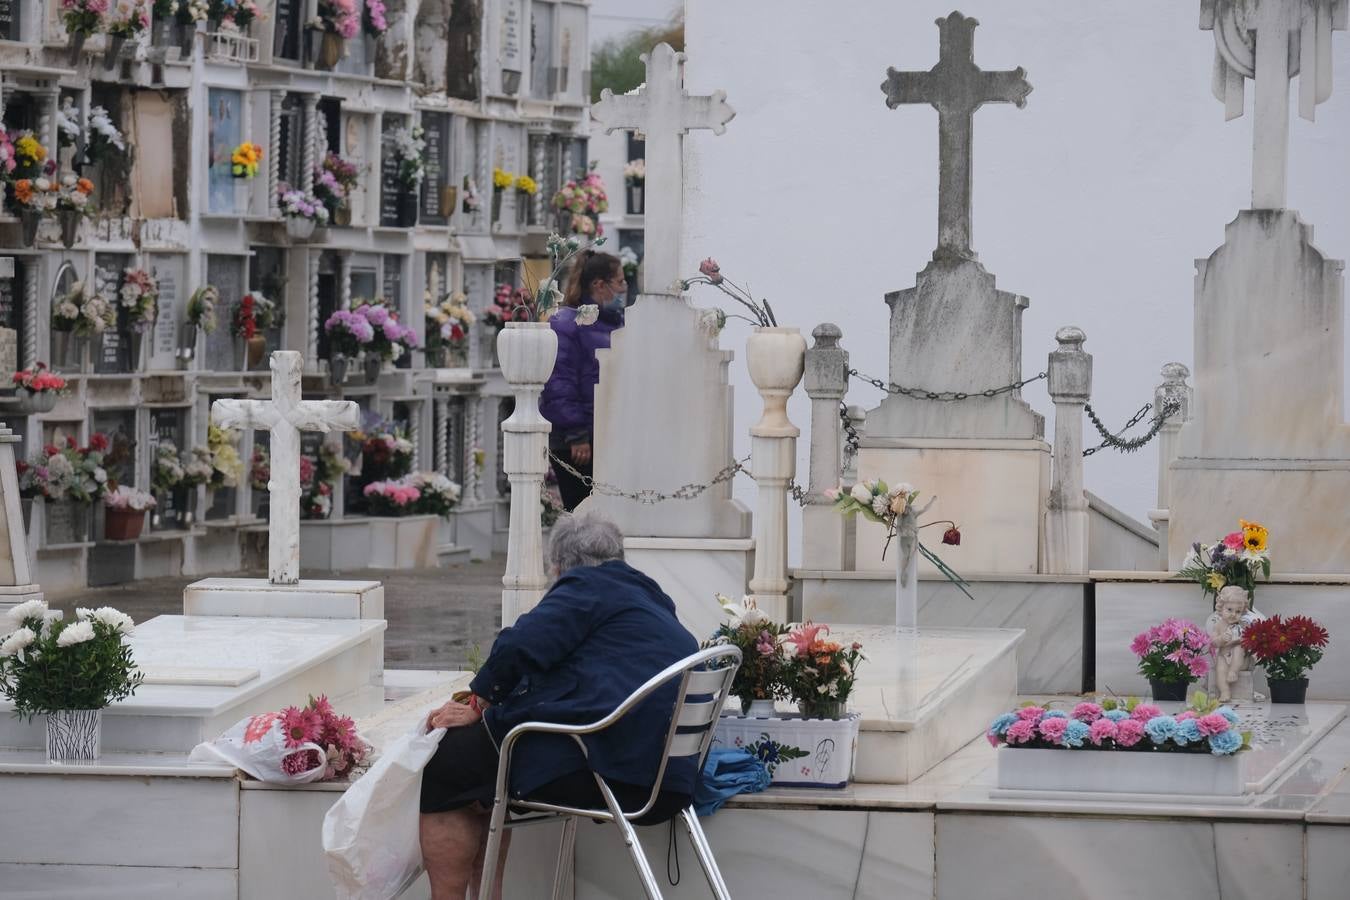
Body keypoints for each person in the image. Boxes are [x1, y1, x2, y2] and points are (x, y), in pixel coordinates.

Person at [418, 512, 698, 900]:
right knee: (482, 770)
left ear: (558, 568)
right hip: (668, 776)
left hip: (613, 773)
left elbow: (520, 644)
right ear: (618, 556)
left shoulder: (587, 585)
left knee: (448, 761)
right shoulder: (647, 593)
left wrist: (480, 702)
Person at [539, 251, 628, 510]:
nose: (624, 288)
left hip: (606, 434)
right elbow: (559, 383)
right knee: (582, 514)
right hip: (577, 442)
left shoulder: (615, 323)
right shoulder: (567, 324)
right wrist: (577, 434)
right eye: (620, 281)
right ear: (600, 285)